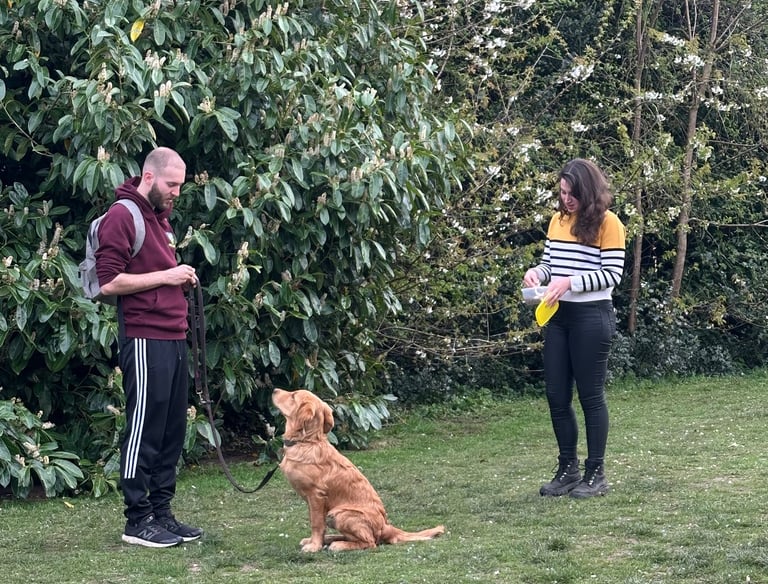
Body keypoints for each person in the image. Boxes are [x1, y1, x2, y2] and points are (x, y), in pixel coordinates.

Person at [96, 147, 203, 546]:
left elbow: (158, 273)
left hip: (173, 336)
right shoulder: (123, 215)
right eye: (171, 184)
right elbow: (109, 283)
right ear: (148, 177)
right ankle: (137, 520)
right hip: (143, 337)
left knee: (171, 429)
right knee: (144, 426)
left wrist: (178, 278)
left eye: (180, 185)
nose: (177, 192)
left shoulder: (160, 220)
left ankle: (162, 513)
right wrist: (168, 276)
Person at [522, 158, 626, 499]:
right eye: (563, 192)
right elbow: (552, 264)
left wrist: (570, 283)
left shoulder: (609, 223)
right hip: (558, 316)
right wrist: (539, 273)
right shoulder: (558, 220)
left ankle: (596, 473)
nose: (566, 199)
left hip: (592, 317)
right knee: (556, 396)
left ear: (589, 192)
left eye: (573, 193)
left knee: (591, 397)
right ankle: (568, 468)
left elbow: (612, 275)